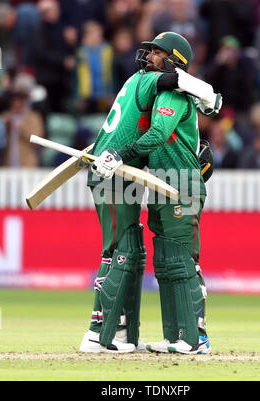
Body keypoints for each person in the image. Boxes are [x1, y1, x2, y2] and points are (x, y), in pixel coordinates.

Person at [89, 32, 221, 355]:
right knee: (165, 261)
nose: (148, 57)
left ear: (174, 61)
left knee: (182, 260)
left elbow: (159, 134)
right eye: (148, 51)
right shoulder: (157, 91)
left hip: (181, 182)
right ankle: (176, 335)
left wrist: (121, 153)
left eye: (157, 53)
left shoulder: (173, 94)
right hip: (160, 182)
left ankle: (196, 337)